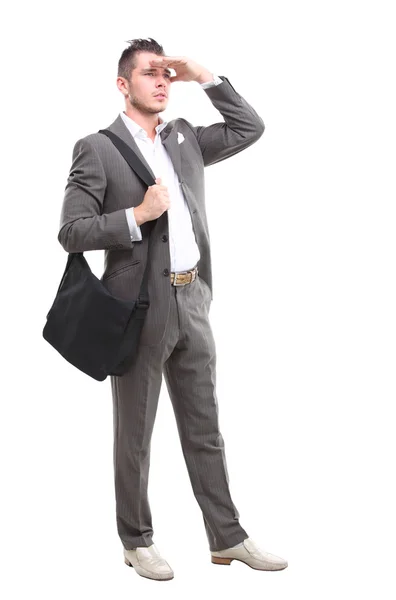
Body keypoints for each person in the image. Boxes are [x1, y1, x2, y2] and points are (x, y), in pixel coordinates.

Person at [58, 37, 288, 581]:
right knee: (135, 431)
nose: (162, 82)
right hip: (138, 305)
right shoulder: (98, 147)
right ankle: (135, 540)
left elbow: (248, 129)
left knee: (205, 426)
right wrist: (138, 214)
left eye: (166, 74)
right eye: (149, 74)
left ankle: (227, 537)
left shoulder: (185, 136)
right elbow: (71, 232)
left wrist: (205, 76)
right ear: (123, 84)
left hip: (194, 298)